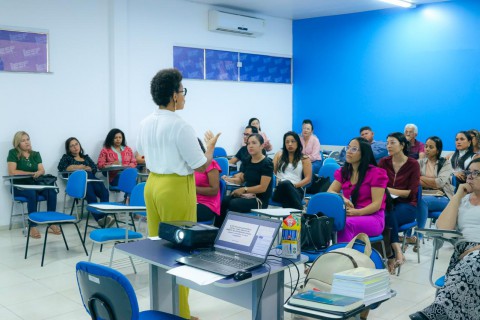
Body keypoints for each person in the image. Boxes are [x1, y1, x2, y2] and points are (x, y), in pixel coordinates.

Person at [136, 68, 220, 319]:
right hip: (175, 187)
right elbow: (201, 165)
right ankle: (181, 312)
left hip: (152, 185)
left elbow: (141, 154)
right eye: (182, 91)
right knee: (181, 252)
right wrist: (210, 149)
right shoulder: (181, 126)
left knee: (158, 248)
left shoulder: (145, 122)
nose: (184, 96)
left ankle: (163, 306)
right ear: (174, 95)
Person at [409, 158, 480, 320]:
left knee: (476, 259)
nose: (470, 176)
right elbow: (443, 228)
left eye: (477, 173)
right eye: (469, 172)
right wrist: (459, 194)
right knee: (473, 261)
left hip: (476, 254)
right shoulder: (463, 201)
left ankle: (434, 314)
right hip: (462, 256)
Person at [327, 137, 388, 242]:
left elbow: (376, 204)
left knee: (345, 224)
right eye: (348, 148)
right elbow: (330, 191)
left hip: (373, 217)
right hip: (350, 213)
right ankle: (329, 254)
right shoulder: (344, 172)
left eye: (354, 149)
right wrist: (342, 198)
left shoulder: (376, 173)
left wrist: (357, 212)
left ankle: (344, 256)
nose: (349, 152)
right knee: (325, 221)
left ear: (363, 153)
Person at [378, 132, 420, 274]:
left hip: (408, 205)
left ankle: (392, 253)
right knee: (386, 213)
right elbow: (377, 184)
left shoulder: (413, 164)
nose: (388, 146)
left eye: (392, 142)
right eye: (387, 142)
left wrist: (387, 189)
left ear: (402, 145)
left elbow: (411, 193)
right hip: (388, 203)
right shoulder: (384, 162)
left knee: (389, 215)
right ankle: (396, 250)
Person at [7, 131, 59, 239]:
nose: (27, 142)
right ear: (17, 143)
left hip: (35, 184)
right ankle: (32, 225)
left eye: (28, 139)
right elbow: (12, 171)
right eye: (23, 140)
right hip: (19, 187)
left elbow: (42, 169)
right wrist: (30, 173)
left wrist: (39, 172)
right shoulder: (13, 153)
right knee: (32, 193)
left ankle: (51, 223)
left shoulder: (35, 154)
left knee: (51, 192)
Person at [219, 133, 273, 228]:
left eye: (254, 143)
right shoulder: (248, 161)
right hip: (246, 195)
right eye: (248, 143)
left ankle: (233, 230)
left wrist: (244, 190)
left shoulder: (267, 163)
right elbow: (241, 179)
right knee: (224, 201)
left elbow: (263, 188)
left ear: (261, 146)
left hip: (259, 200)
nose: (250, 146)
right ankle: (218, 230)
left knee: (234, 203)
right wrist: (229, 179)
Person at [57, 137, 113, 228]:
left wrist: (89, 168)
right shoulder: (66, 158)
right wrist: (78, 167)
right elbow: (61, 169)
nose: (75, 147)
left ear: (79, 145)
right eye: (72, 146)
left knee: (105, 192)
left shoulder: (85, 157)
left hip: (91, 180)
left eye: (76, 144)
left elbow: (94, 168)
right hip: (79, 183)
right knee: (91, 195)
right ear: (69, 149)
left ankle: (105, 217)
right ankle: (100, 219)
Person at [415, 136, 454, 247]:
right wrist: (432, 182)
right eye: (426, 146)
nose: (427, 149)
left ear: (437, 150)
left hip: (442, 197)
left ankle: (418, 236)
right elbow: (413, 180)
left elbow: (440, 183)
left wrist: (421, 178)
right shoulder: (419, 163)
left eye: (431, 147)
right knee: (414, 202)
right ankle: (409, 238)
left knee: (422, 201)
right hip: (424, 194)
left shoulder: (445, 163)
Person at [272, 131, 312, 210]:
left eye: (293, 141)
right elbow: (272, 173)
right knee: (285, 184)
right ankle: (300, 213)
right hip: (279, 189)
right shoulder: (279, 155)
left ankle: (289, 221)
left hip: (296, 189)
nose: (290, 144)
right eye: (287, 142)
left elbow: (308, 179)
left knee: (287, 194)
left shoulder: (304, 158)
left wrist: (293, 185)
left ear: (298, 143)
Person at [195, 139, 221, 222]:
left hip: (207, 204)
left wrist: (191, 188)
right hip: (190, 201)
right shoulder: (187, 164)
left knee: (179, 212)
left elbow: (214, 190)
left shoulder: (210, 163)